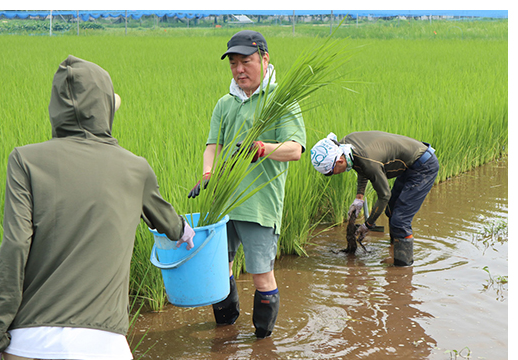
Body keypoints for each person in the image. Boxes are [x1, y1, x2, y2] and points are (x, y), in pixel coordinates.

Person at [0, 55, 195, 360]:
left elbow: (15, 246)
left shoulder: (24, 160)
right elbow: (169, 223)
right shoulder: (134, 168)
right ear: (106, 108)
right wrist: (183, 230)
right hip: (93, 349)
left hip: (26, 347)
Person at [188, 30, 306, 338]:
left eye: (247, 61)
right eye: (234, 64)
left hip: (259, 205)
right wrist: (208, 175)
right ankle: (225, 336)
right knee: (219, 271)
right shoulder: (225, 104)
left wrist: (263, 148)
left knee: (260, 275)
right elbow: (212, 145)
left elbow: (295, 149)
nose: (239, 69)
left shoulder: (280, 101)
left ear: (265, 59)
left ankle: (262, 343)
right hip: (224, 205)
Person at [309, 131, 439, 266]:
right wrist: (359, 198)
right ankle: (395, 253)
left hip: (424, 166)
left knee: (400, 220)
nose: (333, 174)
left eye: (331, 172)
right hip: (412, 164)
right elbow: (361, 166)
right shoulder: (344, 146)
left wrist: (368, 224)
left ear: (339, 161)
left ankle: (403, 268)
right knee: (391, 211)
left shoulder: (365, 159)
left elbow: (384, 195)